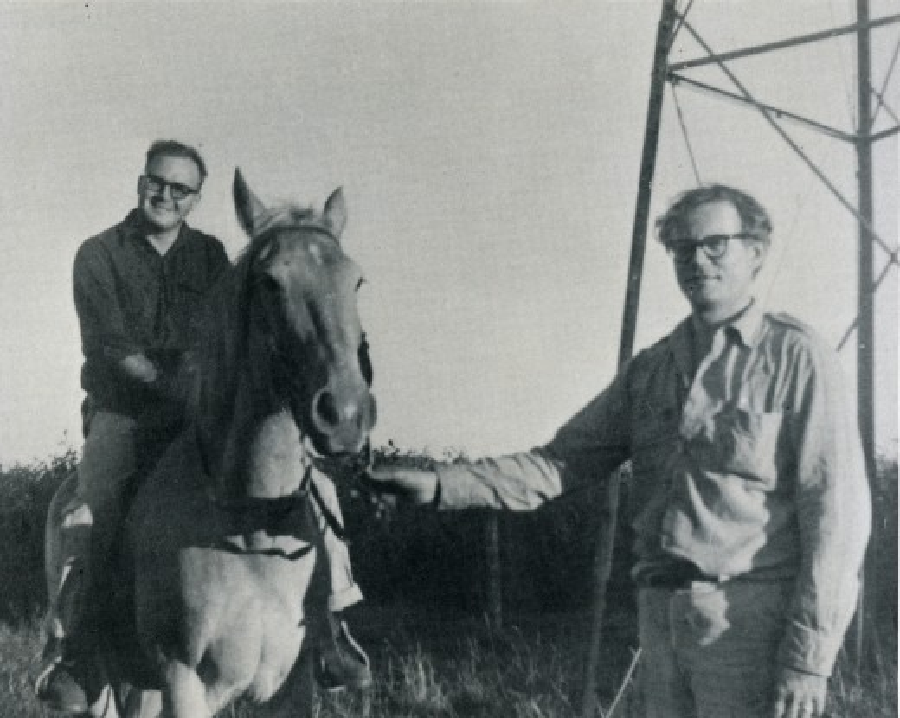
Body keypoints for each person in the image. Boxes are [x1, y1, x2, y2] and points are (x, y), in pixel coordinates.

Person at [367, 184, 871, 718]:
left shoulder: (798, 360)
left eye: (716, 244)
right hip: (661, 623)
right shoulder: (652, 370)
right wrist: (440, 484)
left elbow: (838, 519)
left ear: (756, 251)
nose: (698, 261)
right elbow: (557, 463)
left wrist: (808, 659)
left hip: (751, 627)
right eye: (683, 249)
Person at [37, 140, 371, 713]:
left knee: (317, 491)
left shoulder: (212, 257)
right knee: (90, 511)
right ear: (141, 181)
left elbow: (236, 334)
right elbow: (110, 348)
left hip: (201, 416)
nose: (165, 195)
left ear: (195, 199)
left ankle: (331, 630)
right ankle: (79, 655)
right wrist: (181, 386)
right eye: (156, 182)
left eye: (180, 188)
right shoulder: (98, 254)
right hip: (126, 415)